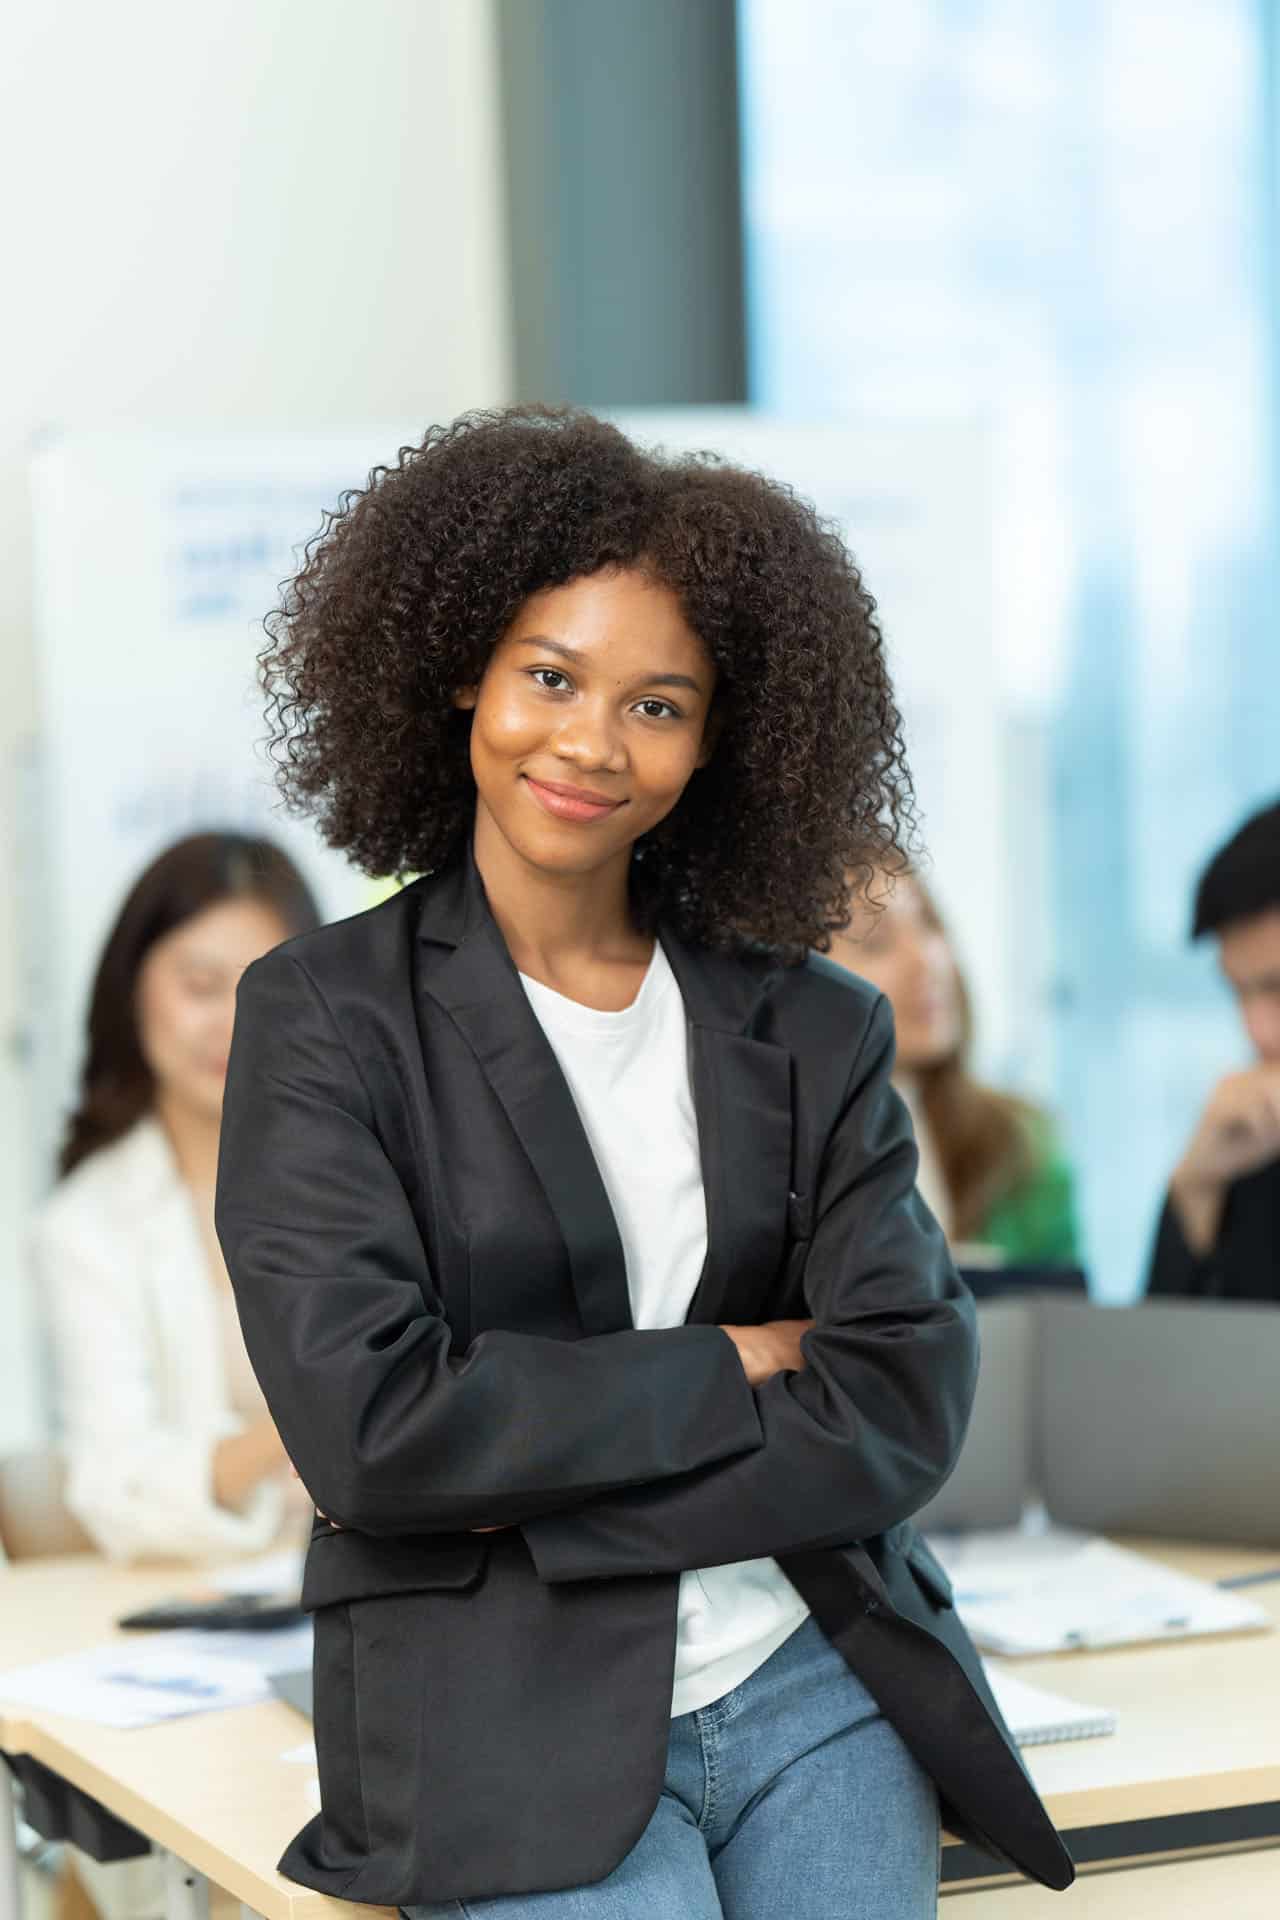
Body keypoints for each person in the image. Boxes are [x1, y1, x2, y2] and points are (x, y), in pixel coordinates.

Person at [216, 406, 1073, 1914]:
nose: (592, 744)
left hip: (817, 1685)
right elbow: (374, 1437)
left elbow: (902, 1397)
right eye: (552, 676)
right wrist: (734, 1359)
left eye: (659, 704)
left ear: (725, 742)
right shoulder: (325, 1022)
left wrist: (523, 1495)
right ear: (463, 674)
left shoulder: (815, 1025)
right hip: (502, 1722)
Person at [34, 831, 321, 1561]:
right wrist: (302, 1430)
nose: (231, 1021)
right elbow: (117, 1492)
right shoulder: (87, 1224)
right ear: (132, 989)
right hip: (209, 1601)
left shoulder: (374, 1170)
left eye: (261, 986)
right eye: (199, 986)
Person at [828, 869, 1081, 1267]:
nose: (927, 960)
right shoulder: (772, 1153)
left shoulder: (1022, 1140)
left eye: (928, 924)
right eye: (876, 943)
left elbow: (1062, 1317)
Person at [1147, 798, 1280, 1300]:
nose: (1257, 1031)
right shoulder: (1255, 1145)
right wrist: (1196, 1187)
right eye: (1239, 992)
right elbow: (1154, 1367)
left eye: (1276, 987)